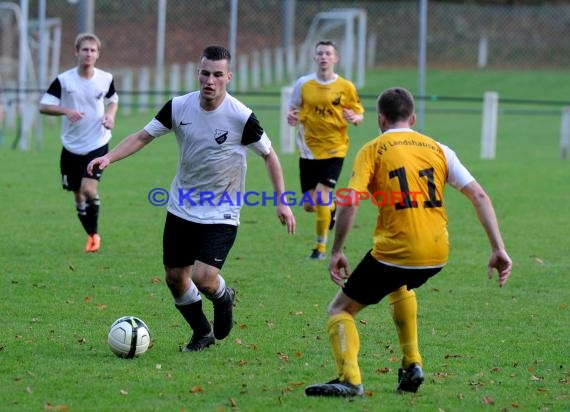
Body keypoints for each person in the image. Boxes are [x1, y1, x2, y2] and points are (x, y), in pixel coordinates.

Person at [305, 87, 512, 397]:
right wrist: (498, 248)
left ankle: (349, 379)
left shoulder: (374, 148)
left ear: (380, 119)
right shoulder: (440, 148)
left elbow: (349, 202)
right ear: (412, 118)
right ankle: (412, 363)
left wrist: (336, 251)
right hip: (437, 252)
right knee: (398, 283)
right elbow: (479, 195)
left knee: (339, 310)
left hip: (397, 250)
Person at [87, 45, 296, 352]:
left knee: (204, 278)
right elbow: (142, 136)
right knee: (174, 278)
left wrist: (282, 200)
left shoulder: (240, 117)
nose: (210, 80)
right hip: (181, 205)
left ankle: (224, 297)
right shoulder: (179, 107)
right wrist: (108, 158)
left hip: (222, 211)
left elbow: (269, 155)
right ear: (198, 73)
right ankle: (202, 332)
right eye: (205, 73)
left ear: (228, 77)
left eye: (217, 75)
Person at [39, 33, 118, 253]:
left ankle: (94, 235)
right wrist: (66, 110)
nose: (89, 54)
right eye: (85, 49)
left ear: (98, 54)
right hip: (72, 145)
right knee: (77, 194)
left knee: (89, 189)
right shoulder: (64, 80)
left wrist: (110, 117)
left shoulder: (105, 78)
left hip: (98, 142)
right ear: (77, 52)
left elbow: (113, 101)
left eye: (93, 50)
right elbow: (43, 106)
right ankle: (92, 234)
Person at [287, 40, 364, 260]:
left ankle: (320, 249)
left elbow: (358, 113)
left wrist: (355, 117)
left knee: (321, 197)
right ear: (314, 58)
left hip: (335, 149)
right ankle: (330, 209)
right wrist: (291, 117)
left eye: (328, 53)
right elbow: (293, 109)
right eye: (320, 53)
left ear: (335, 58)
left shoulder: (345, 87)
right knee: (310, 205)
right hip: (308, 150)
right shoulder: (303, 84)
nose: (323, 57)